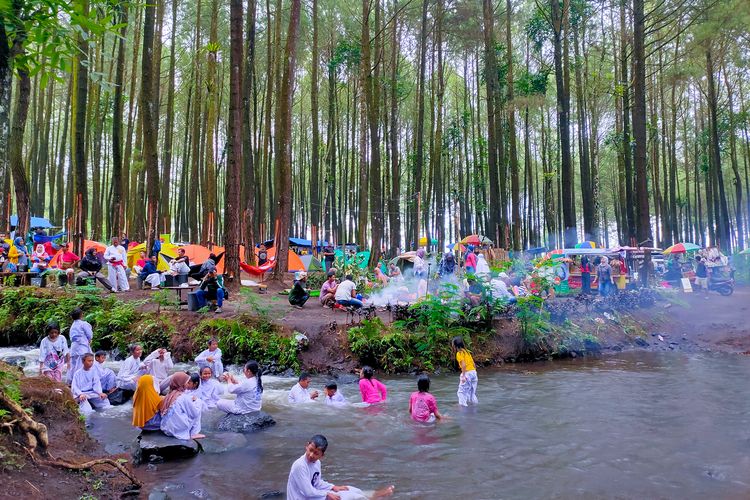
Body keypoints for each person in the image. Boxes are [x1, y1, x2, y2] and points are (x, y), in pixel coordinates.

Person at [287, 435, 394, 500]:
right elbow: (308, 492)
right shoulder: (300, 465)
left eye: (316, 453)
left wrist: (333, 487)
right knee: (344, 497)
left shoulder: (317, 463)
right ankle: (374, 497)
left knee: (349, 489)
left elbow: (317, 483)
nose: (311, 455)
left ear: (321, 456)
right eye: (310, 450)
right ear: (307, 445)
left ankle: (374, 495)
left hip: (310, 496)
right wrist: (328, 493)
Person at [159, 372, 205, 440]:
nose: (188, 384)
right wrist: (197, 402)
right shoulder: (183, 397)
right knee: (198, 403)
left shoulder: (169, 394)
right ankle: (194, 433)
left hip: (166, 428)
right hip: (178, 431)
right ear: (181, 383)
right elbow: (195, 414)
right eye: (187, 382)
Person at [67, 308, 93, 384]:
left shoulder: (72, 325)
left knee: (73, 365)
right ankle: (80, 382)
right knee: (82, 364)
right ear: (81, 315)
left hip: (74, 347)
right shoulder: (83, 324)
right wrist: (89, 339)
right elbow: (90, 334)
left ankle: (71, 381)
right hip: (82, 346)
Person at [452, 336, 478, 406]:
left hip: (467, 373)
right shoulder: (467, 352)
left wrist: (463, 376)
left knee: (461, 393)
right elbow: (473, 364)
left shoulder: (459, 353)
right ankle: (474, 406)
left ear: (455, 346)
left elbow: (463, 365)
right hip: (473, 372)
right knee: (472, 393)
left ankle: (463, 407)